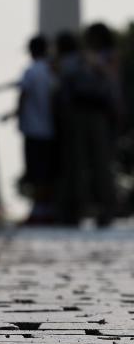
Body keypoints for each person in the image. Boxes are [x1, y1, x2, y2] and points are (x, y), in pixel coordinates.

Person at [56, 29, 117, 226]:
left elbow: (63, 88)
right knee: (97, 163)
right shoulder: (98, 60)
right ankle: (101, 209)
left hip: (81, 114)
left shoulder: (76, 61)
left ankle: (78, 210)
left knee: (79, 163)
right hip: (96, 114)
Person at [16, 35, 57, 222]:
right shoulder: (51, 71)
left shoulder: (30, 71)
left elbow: (23, 96)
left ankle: (39, 210)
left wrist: (17, 115)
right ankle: (47, 209)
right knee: (47, 171)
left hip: (33, 129)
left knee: (36, 171)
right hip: (50, 129)